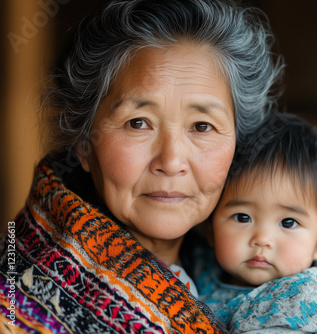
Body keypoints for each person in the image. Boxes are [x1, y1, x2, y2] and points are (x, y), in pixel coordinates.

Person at [0, 0, 283, 332]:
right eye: (138, 123)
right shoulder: (13, 313)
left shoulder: (286, 280)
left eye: (202, 126)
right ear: (84, 143)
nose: (172, 161)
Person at [191, 113, 317, 333]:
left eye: (288, 222)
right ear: (209, 226)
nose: (262, 239)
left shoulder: (304, 300)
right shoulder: (199, 262)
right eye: (242, 217)